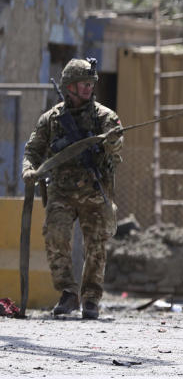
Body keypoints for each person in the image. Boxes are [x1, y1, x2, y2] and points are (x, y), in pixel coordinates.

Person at [21, 58, 123, 320]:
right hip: (61, 192)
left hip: (94, 190)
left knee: (96, 245)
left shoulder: (105, 117)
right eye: (82, 83)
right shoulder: (52, 119)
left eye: (90, 83)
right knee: (55, 234)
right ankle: (68, 292)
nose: (88, 88)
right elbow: (32, 150)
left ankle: (90, 298)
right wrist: (29, 170)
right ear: (69, 87)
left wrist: (111, 141)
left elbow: (117, 147)